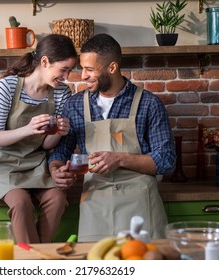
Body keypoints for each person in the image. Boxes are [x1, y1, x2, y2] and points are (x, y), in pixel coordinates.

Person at [48, 33, 176, 242]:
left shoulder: (149, 104)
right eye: (82, 68)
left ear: (112, 68)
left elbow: (166, 161)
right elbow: (61, 150)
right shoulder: (75, 105)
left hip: (140, 203)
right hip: (95, 201)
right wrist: (56, 170)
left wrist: (119, 159)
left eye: (90, 69)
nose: (83, 76)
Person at [0, 34, 77, 244]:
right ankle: (35, 261)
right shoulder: (7, 87)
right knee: (21, 202)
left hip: (36, 164)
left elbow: (47, 145)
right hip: (2, 164)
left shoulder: (61, 93)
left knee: (57, 198)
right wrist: (29, 129)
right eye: (63, 69)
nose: (66, 76)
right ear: (44, 62)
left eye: (70, 70)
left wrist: (58, 132)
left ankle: (38, 255)